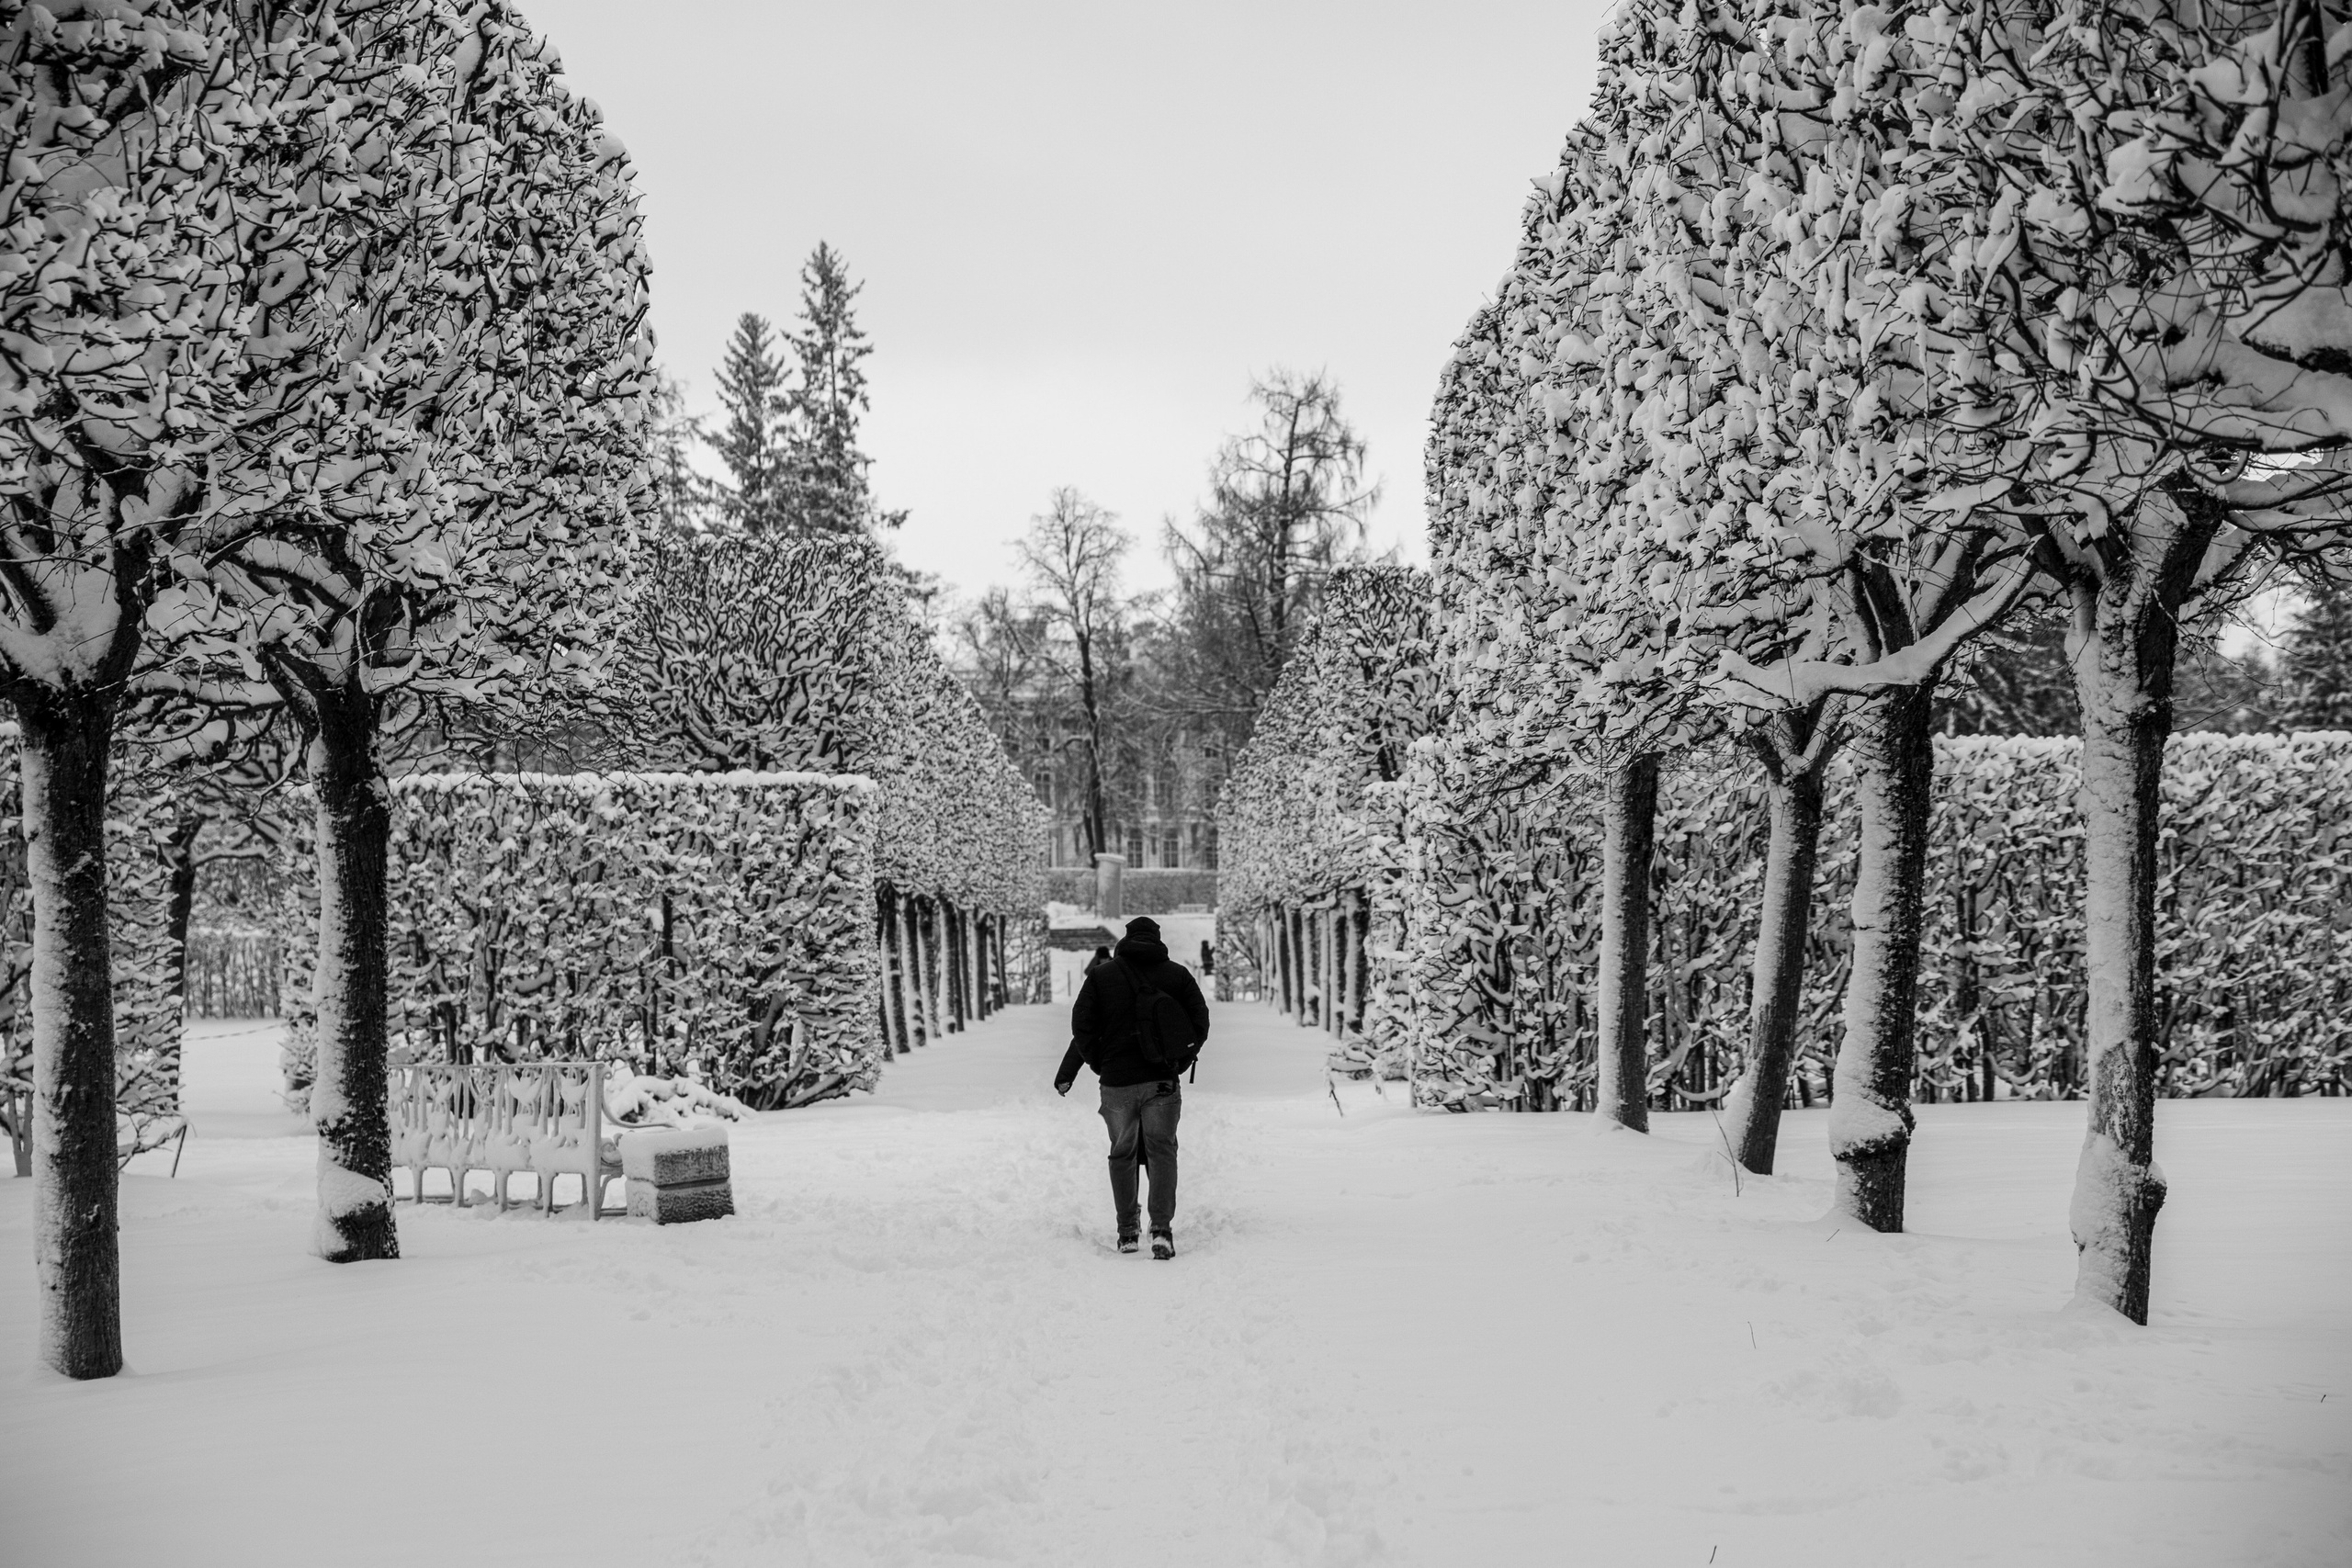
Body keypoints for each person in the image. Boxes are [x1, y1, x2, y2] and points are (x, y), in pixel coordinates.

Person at [1055, 915, 1209, 1258]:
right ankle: (1162, 1231)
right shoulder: (1177, 976)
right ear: (1157, 939)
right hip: (1162, 1083)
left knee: (1122, 1153)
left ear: (1125, 939)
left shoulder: (1101, 976)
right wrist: (1178, 1064)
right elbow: (1199, 1024)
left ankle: (1127, 1232)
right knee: (1162, 1150)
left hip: (1116, 1083)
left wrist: (1100, 1064)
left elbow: (1082, 1027)